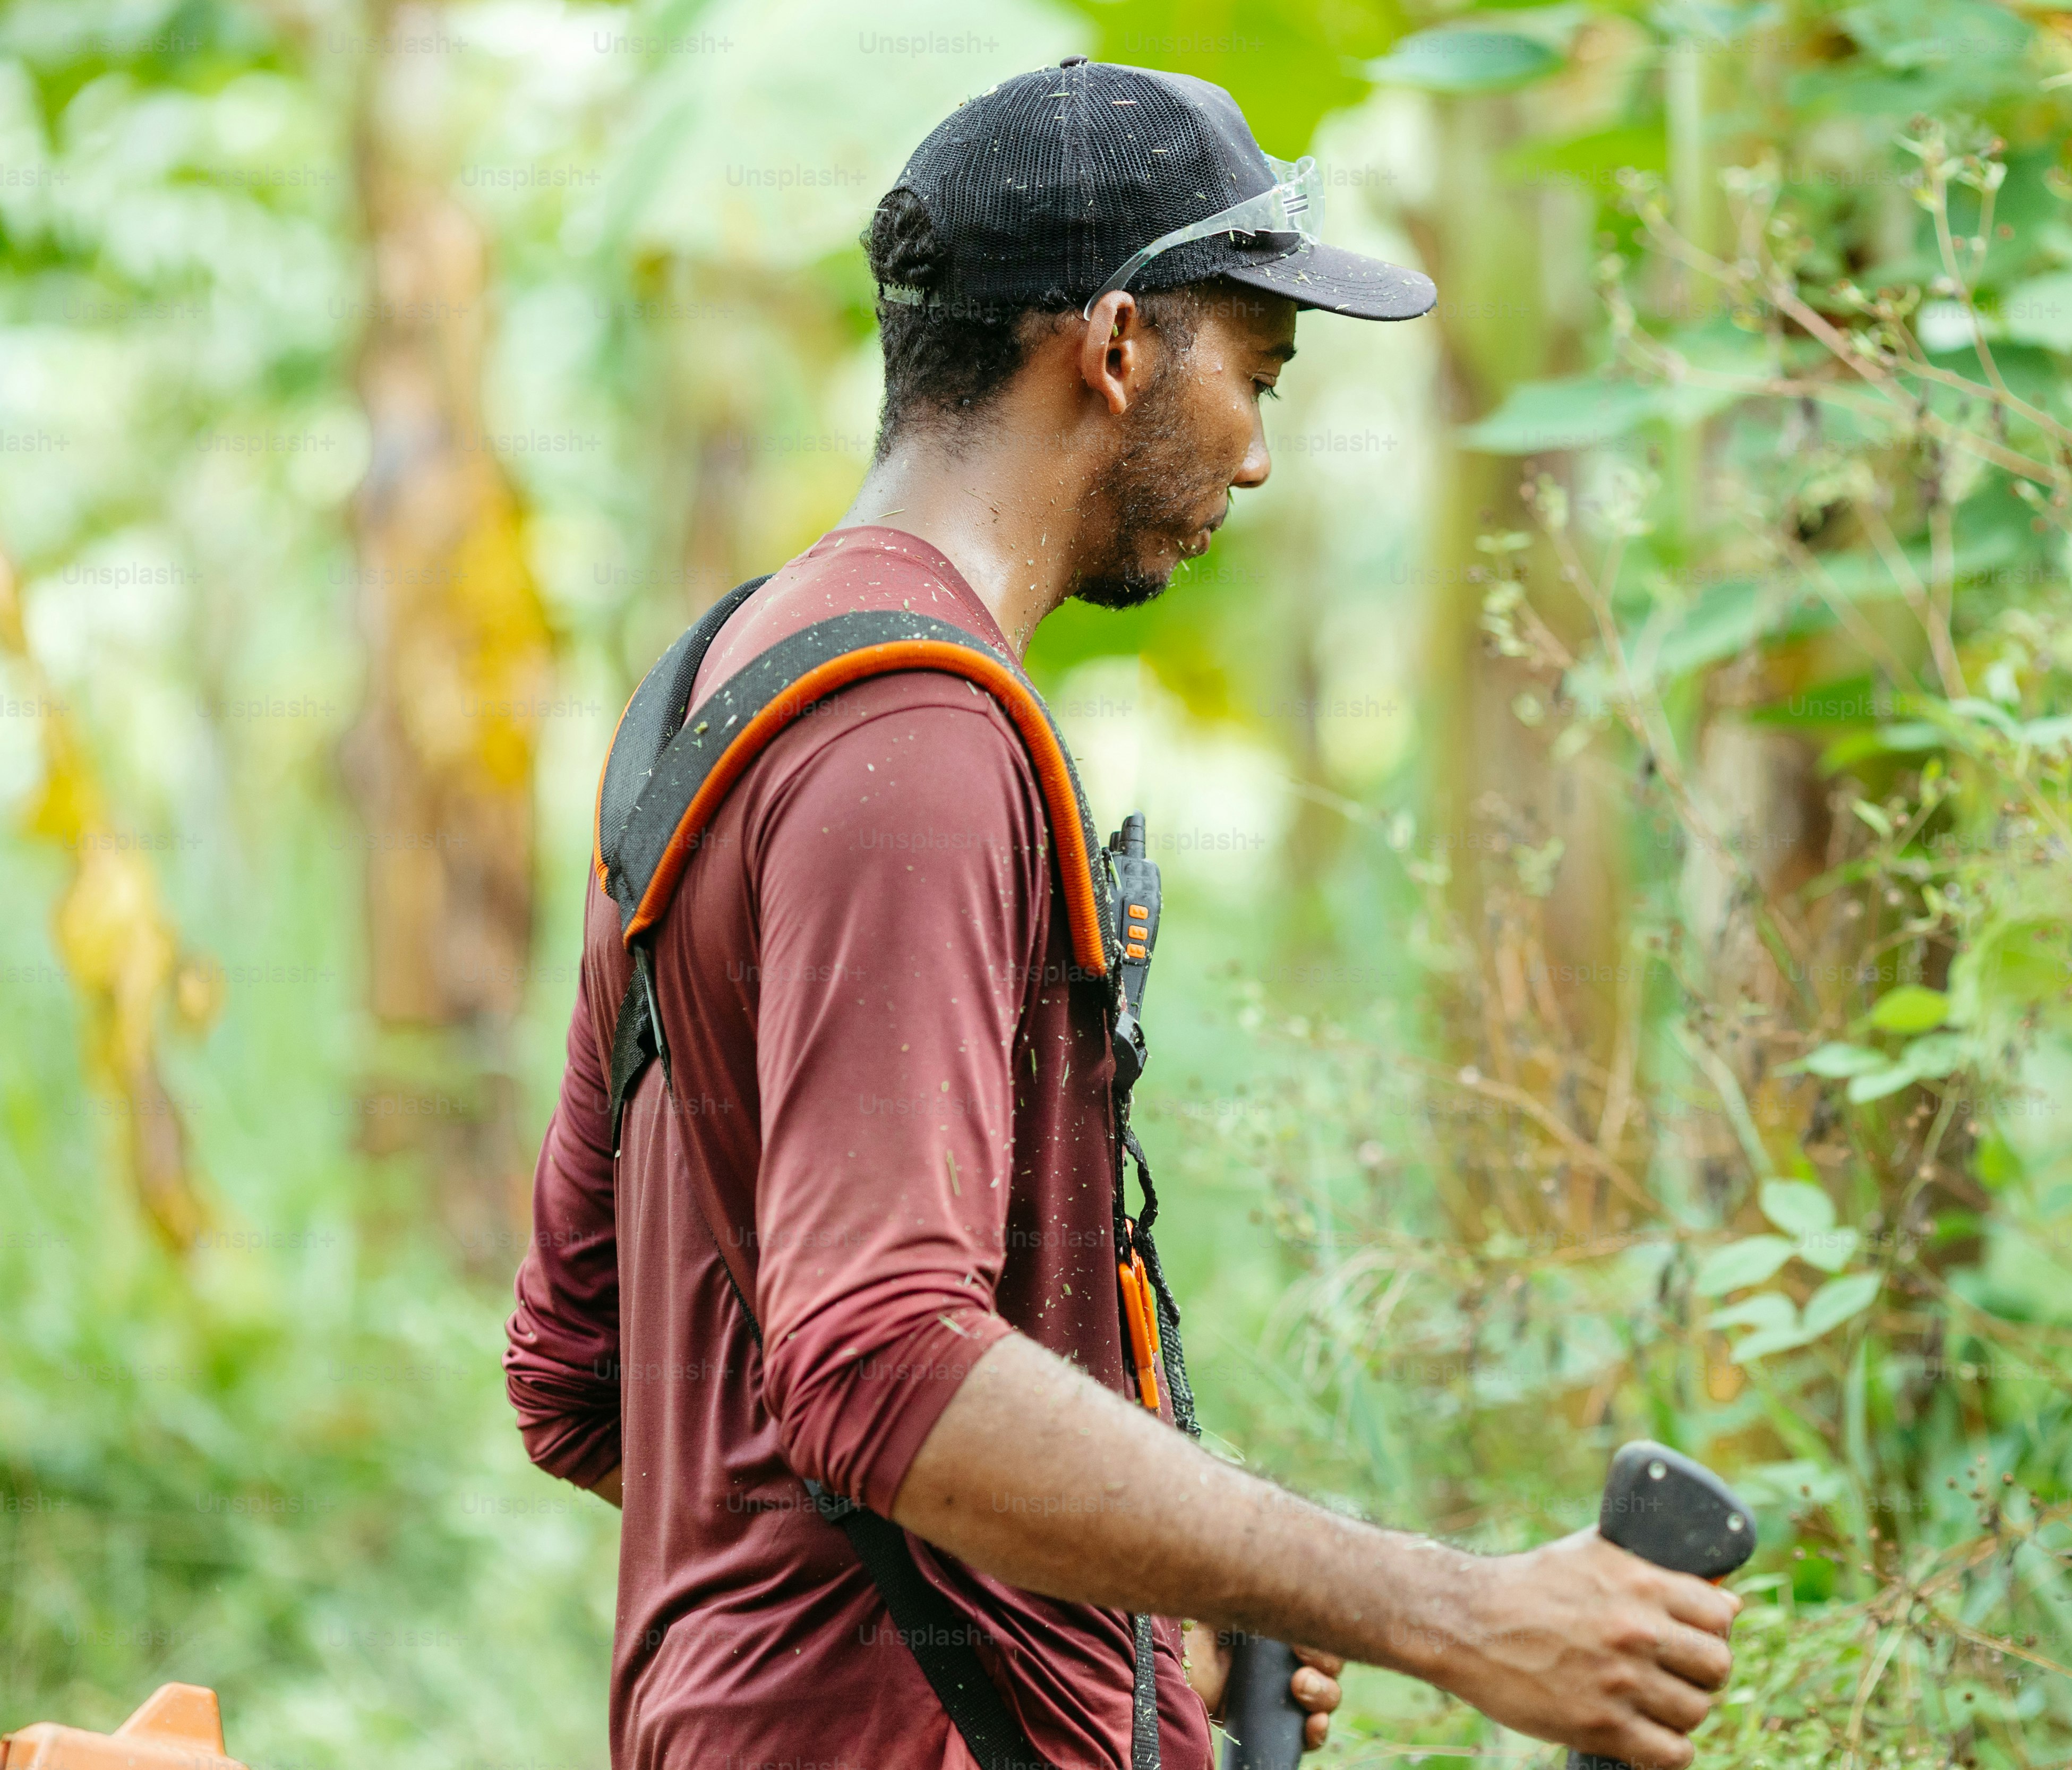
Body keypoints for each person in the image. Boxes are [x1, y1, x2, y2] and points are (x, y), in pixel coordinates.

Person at [504, 58, 1739, 1770]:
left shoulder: (713, 696)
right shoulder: (912, 743)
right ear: (1115, 346)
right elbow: (879, 1366)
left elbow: (583, 1373)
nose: (1257, 454)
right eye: (1260, 370)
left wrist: (1121, 1561)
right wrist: (1463, 1617)